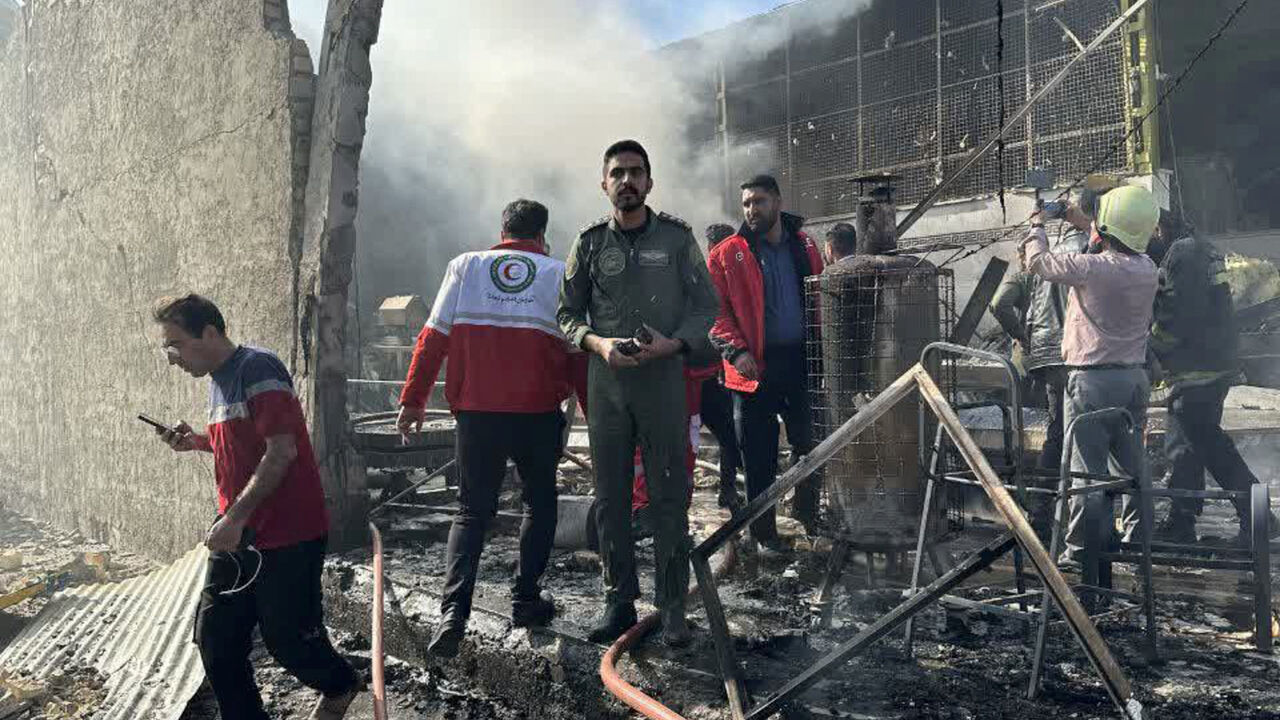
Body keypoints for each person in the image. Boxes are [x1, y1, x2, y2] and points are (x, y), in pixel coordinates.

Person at [153, 294, 361, 720]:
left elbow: (281, 451)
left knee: (288, 640)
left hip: (288, 532)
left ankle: (340, 685)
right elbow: (240, 445)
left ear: (209, 332)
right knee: (214, 639)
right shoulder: (217, 380)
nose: (172, 358)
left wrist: (234, 517)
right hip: (239, 531)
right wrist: (195, 440)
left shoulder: (258, 368)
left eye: (175, 344)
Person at [558, 139, 719, 646]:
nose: (626, 181)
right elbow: (565, 314)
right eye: (617, 173)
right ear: (603, 183)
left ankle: (672, 607)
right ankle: (618, 602)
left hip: (663, 385)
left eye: (635, 172)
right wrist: (599, 344)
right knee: (609, 500)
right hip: (606, 388)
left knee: (669, 498)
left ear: (650, 181)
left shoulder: (676, 239)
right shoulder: (587, 244)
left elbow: (706, 305)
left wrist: (675, 344)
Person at [396, 199, 570, 657]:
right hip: (537, 415)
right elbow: (575, 355)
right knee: (540, 504)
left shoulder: (466, 266)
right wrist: (593, 411)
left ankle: (453, 613)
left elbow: (432, 338)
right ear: (541, 235)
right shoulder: (556, 274)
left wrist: (413, 400)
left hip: (477, 414)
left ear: (503, 229)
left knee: (472, 511)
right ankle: (526, 601)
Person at [1021, 185, 1160, 565]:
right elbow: (1113, 245)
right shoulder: (1148, 269)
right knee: (1133, 467)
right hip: (1133, 379)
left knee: (1086, 474)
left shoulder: (1092, 268)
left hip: (1091, 382)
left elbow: (1039, 264)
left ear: (1106, 230)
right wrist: (1084, 221)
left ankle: (1080, 552)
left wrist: (1037, 226)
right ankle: (1137, 541)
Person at [708, 174, 825, 553]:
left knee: (810, 446)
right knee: (759, 456)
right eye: (746, 203)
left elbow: (820, 300)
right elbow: (713, 311)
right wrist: (737, 352)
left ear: (777, 201)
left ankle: (809, 520)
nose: (751, 210)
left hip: (801, 361)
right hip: (752, 367)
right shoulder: (727, 253)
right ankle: (764, 534)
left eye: (758, 201)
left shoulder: (806, 246)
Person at [1147, 211, 1279, 545]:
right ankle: (1181, 521)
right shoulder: (1201, 248)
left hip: (1197, 369)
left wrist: (1152, 349)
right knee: (1184, 447)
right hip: (1207, 364)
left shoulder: (1184, 253)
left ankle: (1259, 516)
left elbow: (1177, 313)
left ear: (1159, 228)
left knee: (1209, 444)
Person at [701, 223, 743, 509]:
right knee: (729, 436)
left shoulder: (700, 277)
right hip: (712, 376)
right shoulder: (719, 279)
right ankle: (727, 490)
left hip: (701, 376)